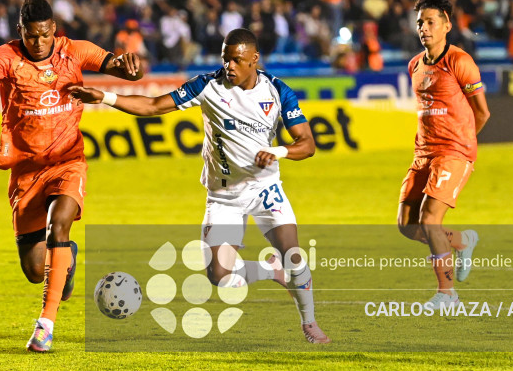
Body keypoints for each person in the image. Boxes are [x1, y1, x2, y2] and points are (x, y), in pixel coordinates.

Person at [71, 28, 330, 344]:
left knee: (294, 256)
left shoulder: (278, 92)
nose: (229, 66)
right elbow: (153, 106)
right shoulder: (208, 86)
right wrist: (105, 97)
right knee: (219, 277)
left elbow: (307, 144)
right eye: (225, 58)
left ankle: (310, 323)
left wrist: (277, 151)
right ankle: (269, 271)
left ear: (254, 60)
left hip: (264, 189)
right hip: (222, 196)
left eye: (236, 60)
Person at [0, 0, 144, 352]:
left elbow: (124, 69)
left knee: (60, 223)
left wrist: (133, 67)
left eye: (44, 35)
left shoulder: (76, 50)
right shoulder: (4, 57)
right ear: (20, 31)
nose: (38, 43)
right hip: (25, 171)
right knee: (34, 269)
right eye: (31, 36)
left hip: (67, 160)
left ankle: (45, 325)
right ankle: (65, 256)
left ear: (53, 29)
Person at [396, 0, 491, 309]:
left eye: (431, 22)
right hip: (422, 153)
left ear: (447, 25)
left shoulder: (460, 61)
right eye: (420, 22)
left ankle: (447, 294)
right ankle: (463, 241)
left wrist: (462, 146)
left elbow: (482, 112)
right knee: (407, 226)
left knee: (430, 219)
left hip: (453, 152)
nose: (424, 28)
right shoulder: (414, 65)